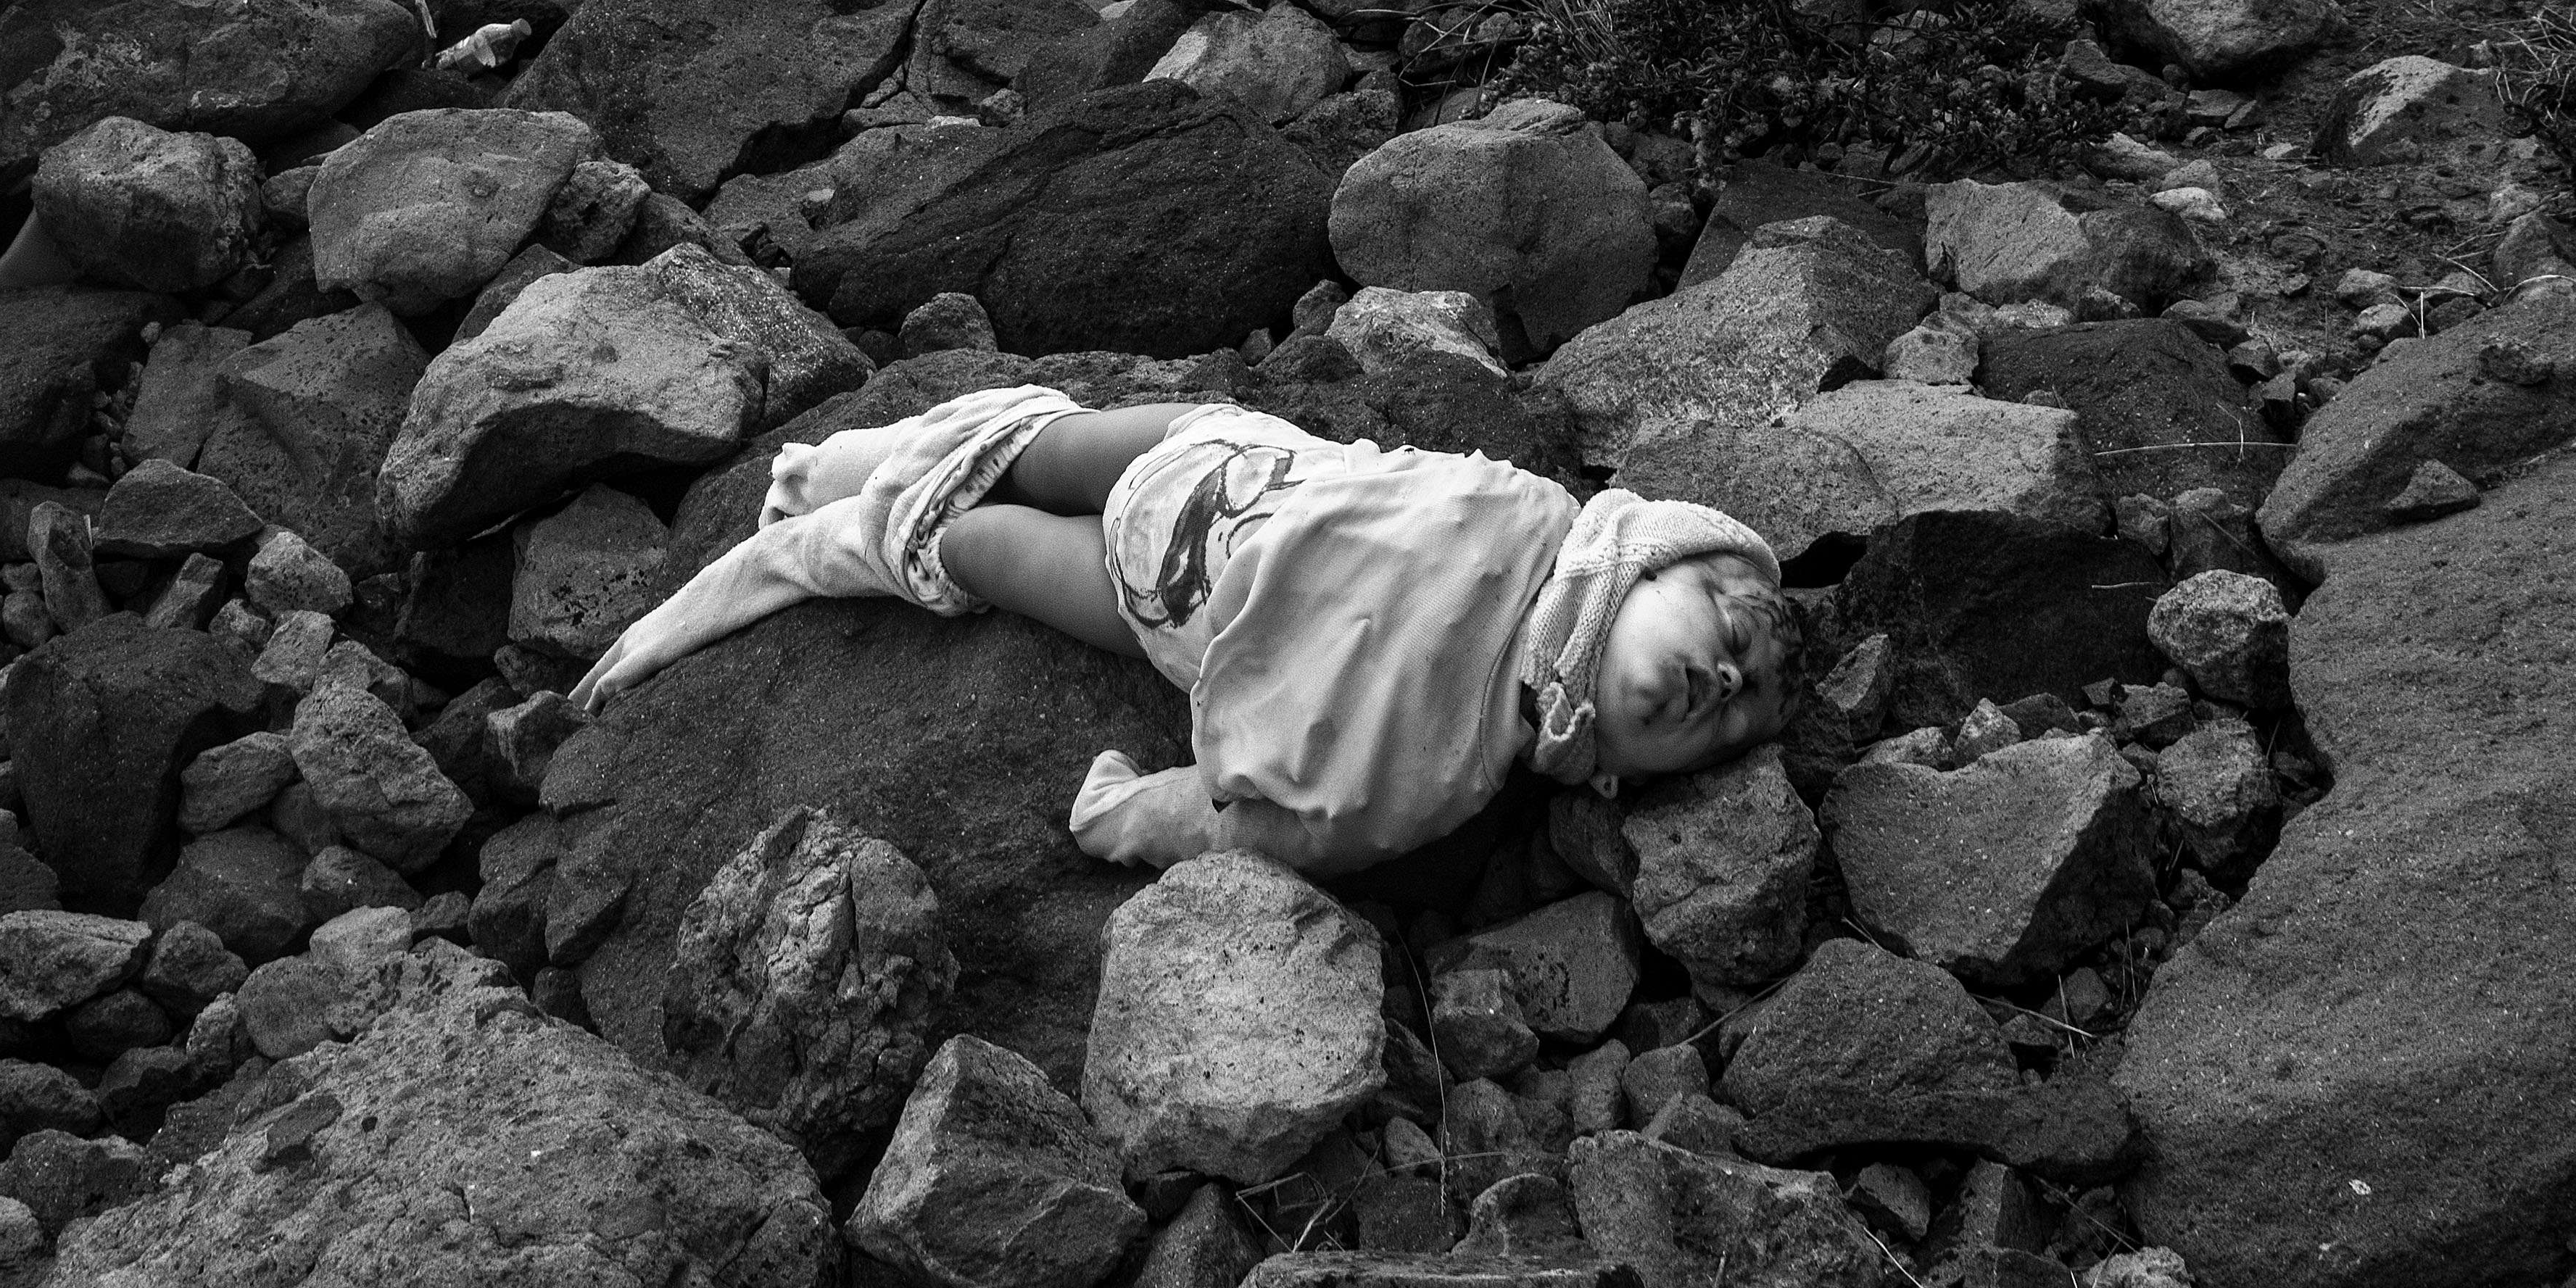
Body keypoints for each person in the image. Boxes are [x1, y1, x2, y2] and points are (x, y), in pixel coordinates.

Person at [571, 385, 1803, 875]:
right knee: (1037, 441)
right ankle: (849, 463)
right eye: (1726, 629)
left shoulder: (1455, 768)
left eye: (1732, 711)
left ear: (1622, 775)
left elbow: (1275, 827)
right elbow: (1392, 476)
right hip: (1222, 451)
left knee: (979, 548)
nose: (1722, 676)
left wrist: (1130, 813)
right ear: (1644, 554)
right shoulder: (1535, 513)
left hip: (1160, 607)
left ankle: (842, 532)